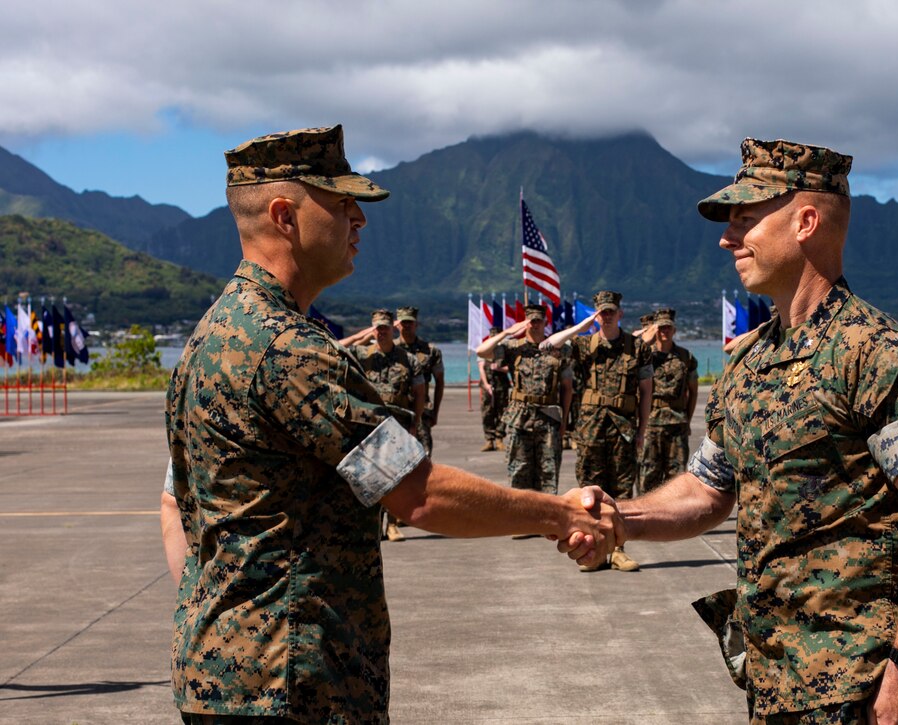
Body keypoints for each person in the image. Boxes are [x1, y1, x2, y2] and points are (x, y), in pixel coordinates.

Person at [159, 125, 617, 724]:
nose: (360, 220)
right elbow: (417, 494)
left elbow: (174, 503)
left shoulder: (208, 340)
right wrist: (560, 514)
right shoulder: (288, 351)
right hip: (294, 685)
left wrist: (219, 608)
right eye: (342, 203)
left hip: (225, 676)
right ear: (284, 217)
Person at [569, 138, 898, 723]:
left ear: (806, 221)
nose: (727, 239)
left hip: (854, 684)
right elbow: (708, 489)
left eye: (746, 220)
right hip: (772, 672)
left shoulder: (881, 357)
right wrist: (619, 520)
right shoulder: (747, 361)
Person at [544, 290, 652, 572]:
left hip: (624, 430)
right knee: (589, 494)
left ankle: (618, 550)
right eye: (602, 312)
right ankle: (593, 553)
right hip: (591, 429)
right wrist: (583, 325)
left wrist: (643, 429)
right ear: (596, 314)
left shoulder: (637, 348)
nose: (606, 316)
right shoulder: (583, 345)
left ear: (620, 313)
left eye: (611, 311)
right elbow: (548, 346)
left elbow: (646, 391)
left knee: (621, 491)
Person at [477, 304, 573, 501]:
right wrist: (507, 332)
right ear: (525, 323)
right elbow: (481, 351)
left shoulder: (558, 349)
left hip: (549, 418)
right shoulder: (513, 348)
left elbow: (567, 388)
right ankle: (523, 521)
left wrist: (564, 423)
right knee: (519, 468)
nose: (535, 325)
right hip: (520, 417)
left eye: (539, 321)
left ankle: (547, 520)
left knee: (549, 470)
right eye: (531, 321)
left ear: (545, 322)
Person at [347, 308, 426, 542]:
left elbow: (420, 392)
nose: (381, 332)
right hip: (368, 425)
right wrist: (359, 336)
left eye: (385, 327)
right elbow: (335, 348)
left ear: (394, 328)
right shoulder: (361, 354)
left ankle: (392, 524)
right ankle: (372, 526)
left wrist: (416, 422)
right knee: (368, 478)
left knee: (395, 477)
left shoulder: (407, 359)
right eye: (377, 327)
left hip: (398, 424)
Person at [638, 308, 699, 491]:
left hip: (676, 423)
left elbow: (693, 392)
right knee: (648, 475)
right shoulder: (645, 356)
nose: (665, 331)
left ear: (674, 330)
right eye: (661, 328)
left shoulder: (685, 357)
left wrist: (687, 419)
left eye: (668, 328)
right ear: (655, 330)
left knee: (677, 477)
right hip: (651, 423)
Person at [396, 306, 444, 456]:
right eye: (403, 322)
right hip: (396, 410)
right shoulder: (391, 349)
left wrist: (435, 412)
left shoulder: (430, 351)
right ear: (397, 325)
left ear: (416, 324)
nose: (407, 326)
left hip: (422, 411)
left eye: (410, 322)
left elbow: (440, 382)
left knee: (424, 455)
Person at [477, 325, 510, 452]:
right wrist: (486, 384)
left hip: (502, 384)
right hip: (488, 385)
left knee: (502, 411)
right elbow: (481, 368)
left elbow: (509, 368)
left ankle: (499, 439)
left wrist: (499, 369)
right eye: (492, 335)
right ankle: (489, 440)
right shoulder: (484, 348)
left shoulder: (504, 350)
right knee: (487, 412)